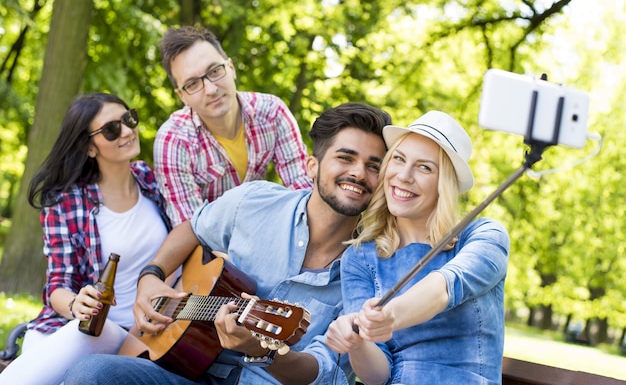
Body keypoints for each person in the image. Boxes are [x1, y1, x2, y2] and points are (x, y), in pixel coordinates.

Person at [64, 102, 390, 385]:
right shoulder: (254, 201)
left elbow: (322, 373)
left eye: (373, 166)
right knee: (90, 375)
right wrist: (150, 277)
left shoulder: (375, 270)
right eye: (345, 158)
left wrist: (263, 351)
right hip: (187, 370)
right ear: (312, 166)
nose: (359, 173)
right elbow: (193, 228)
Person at [325, 111, 510, 385]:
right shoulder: (360, 258)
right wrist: (357, 343)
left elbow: (445, 287)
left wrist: (389, 317)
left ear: (444, 184)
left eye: (425, 167)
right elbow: (378, 376)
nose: (404, 176)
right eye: (399, 159)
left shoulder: (484, 236)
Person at [0, 93, 171, 385]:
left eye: (128, 119)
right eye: (111, 129)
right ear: (89, 147)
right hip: (75, 329)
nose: (128, 131)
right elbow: (57, 285)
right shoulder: (66, 202)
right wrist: (76, 304)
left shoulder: (151, 180)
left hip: (138, 334)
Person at [154, 25, 312, 227]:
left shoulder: (272, 112)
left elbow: (302, 189)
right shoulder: (174, 140)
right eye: (192, 84)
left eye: (214, 71)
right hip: (213, 252)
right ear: (182, 96)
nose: (210, 89)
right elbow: (191, 227)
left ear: (231, 68)